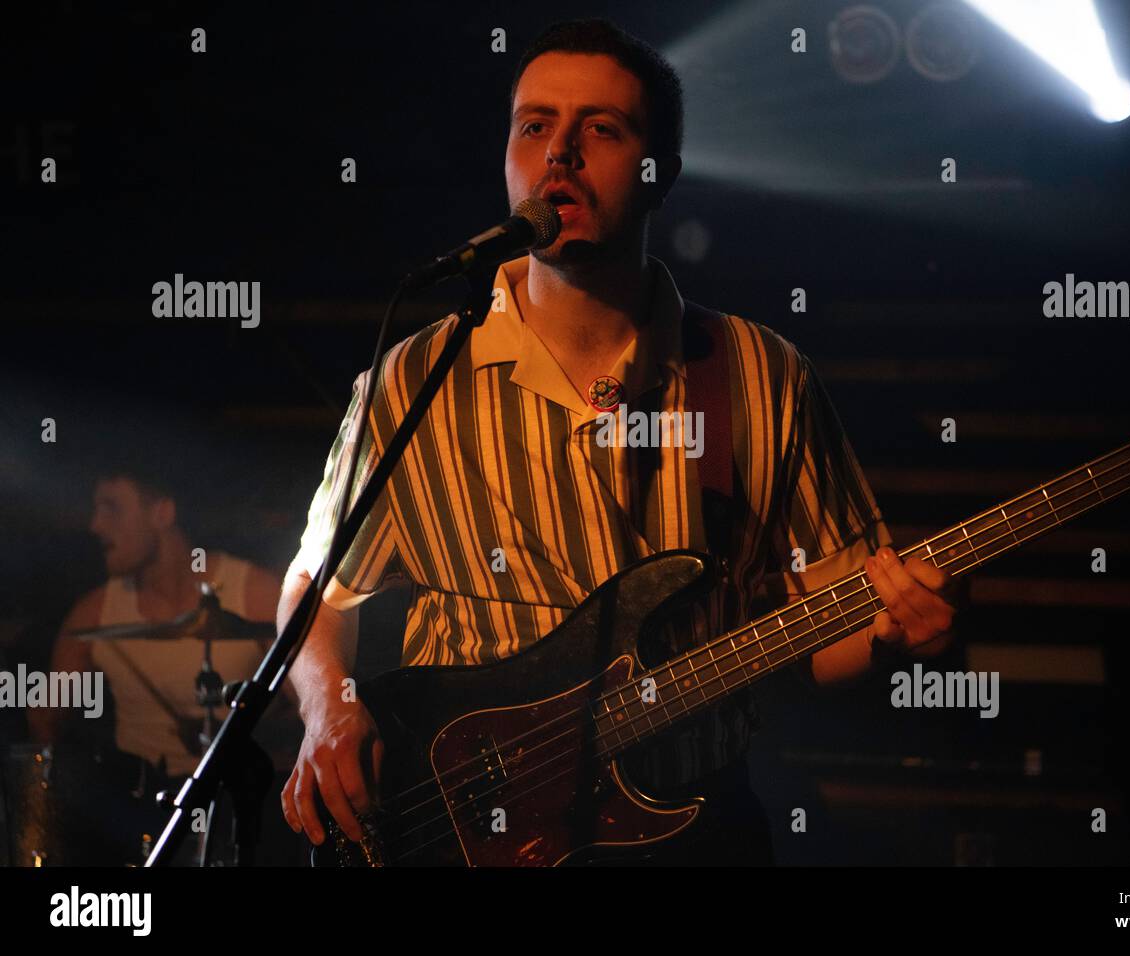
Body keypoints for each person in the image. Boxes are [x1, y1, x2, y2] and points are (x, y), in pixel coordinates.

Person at [280, 18, 958, 865]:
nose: (559, 153)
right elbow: (315, 589)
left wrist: (897, 633)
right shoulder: (413, 379)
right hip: (460, 828)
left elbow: (823, 633)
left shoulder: (760, 375)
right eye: (535, 126)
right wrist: (330, 706)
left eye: (600, 129)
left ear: (658, 175)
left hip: (689, 825)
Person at [29, 452, 287, 863]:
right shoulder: (94, 613)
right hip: (136, 816)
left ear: (162, 512)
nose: (95, 525)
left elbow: (309, 707)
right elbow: (45, 722)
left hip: (242, 810)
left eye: (111, 508)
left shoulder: (254, 592)